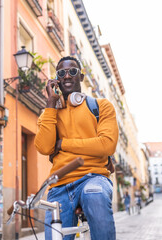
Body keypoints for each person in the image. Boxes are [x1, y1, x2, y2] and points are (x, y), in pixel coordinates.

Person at [34, 56, 119, 240]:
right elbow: (44, 147)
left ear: (81, 77)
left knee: (94, 194)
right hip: (58, 186)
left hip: (94, 178)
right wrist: (50, 105)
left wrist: (63, 144)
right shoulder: (49, 115)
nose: (66, 76)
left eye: (72, 71)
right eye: (61, 73)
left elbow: (107, 145)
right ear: (56, 79)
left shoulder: (101, 106)